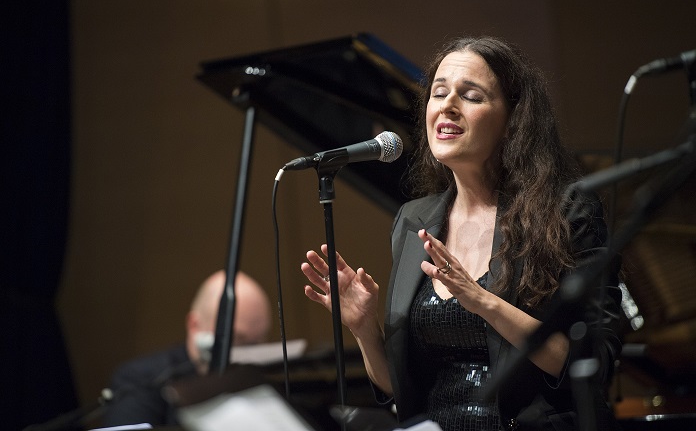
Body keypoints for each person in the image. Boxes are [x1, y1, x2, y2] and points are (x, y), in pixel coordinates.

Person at [301, 36, 623, 431]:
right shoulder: (413, 219)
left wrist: (484, 303)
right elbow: (403, 395)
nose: (447, 105)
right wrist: (364, 328)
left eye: (471, 96)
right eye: (438, 93)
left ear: (513, 121)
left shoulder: (567, 211)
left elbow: (593, 364)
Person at [101, 269, 272, 427]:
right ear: (195, 325)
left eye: (255, 343)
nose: (249, 355)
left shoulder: (259, 382)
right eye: (237, 340)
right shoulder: (141, 380)